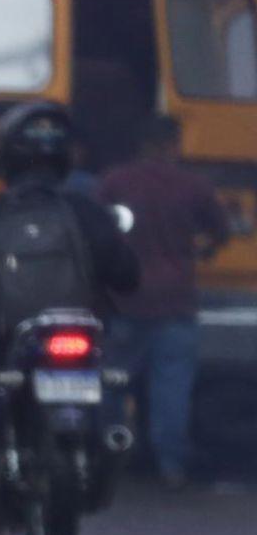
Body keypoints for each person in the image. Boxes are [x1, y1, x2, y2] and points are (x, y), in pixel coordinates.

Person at [0, 101, 140, 491]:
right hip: (81, 331)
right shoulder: (86, 212)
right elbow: (127, 275)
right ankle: (107, 435)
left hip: (7, 337)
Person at [97, 115, 229, 489]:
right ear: (173, 144)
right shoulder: (194, 185)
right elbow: (220, 231)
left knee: (112, 384)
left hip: (125, 300)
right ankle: (171, 467)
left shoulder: (115, 182)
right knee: (171, 390)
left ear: (140, 145)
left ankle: (108, 455)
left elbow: (97, 230)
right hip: (176, 302)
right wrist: (202, 251)